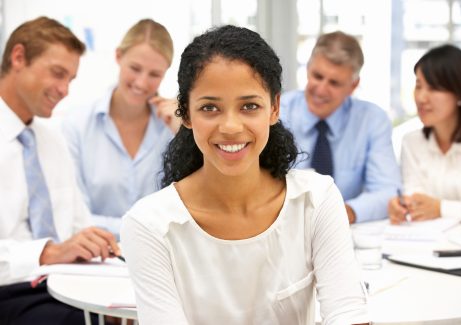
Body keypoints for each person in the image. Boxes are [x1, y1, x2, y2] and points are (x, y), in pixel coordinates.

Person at [121, 25, 369, 325]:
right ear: (185, 113)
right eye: (210, 107)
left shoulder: (316, 200)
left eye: (249, 106)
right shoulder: (149, 225)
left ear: (274, 108)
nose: (231, 127)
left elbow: (347, 314)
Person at [0, 16, 120, 325]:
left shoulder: (52, 141)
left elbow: (77, 224)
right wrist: (47, 254)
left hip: (60, 284)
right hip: (11, 289)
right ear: (18, 57)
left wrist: (91, 241)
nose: (64, 89)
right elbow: (52, 250)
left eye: (71, 79)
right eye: (57, 74)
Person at [62, 19, 179, 236]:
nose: (142, 83)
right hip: (95, 257)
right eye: (135, 68)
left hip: (161, 257)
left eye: (154, 74)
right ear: (118, 56)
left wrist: (184, 133)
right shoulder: (76, 125)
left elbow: (187, 210)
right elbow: (75, 216)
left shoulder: (172, 129)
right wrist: (143, 230)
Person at [280, 31, 400, 224]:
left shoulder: (371, 120)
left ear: (353, 86)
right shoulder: (278, 112)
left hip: (344, 231)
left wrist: (346, 212)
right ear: (308, 69)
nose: (321, 89)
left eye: (334, 83)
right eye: (317, 76)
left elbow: (388, 191)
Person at [388, 44, 461, 224]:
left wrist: (441, 208)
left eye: (433, 88)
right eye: (419, 86)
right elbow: (416, 200)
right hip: (426, 246)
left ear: (460, 93)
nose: (421, 98)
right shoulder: (412, 142)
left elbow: (431, 207)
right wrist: (403, 206)